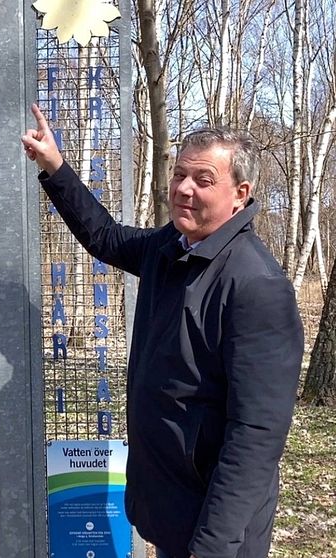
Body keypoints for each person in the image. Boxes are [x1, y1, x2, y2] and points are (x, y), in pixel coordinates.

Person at [21, 105, 302, 558]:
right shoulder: (172, 247)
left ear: (240, 193)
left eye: (203, 180)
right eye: (179, 176)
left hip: (214, 528)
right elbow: (106, 238)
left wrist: (211, 546)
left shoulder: (256, 286)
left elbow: (256, 436)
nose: (184, 190)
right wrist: (55, 167)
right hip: (168, 506)